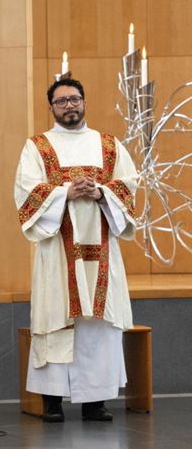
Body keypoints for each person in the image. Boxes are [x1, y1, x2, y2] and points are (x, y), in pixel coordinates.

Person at [14, 78, 139, 423]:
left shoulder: (109, 145)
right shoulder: (38, 146)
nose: (69, 105)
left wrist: (101, 192)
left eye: (75, 99)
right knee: (57, 317)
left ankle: (95, 401)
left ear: (84, 102)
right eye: (62, 101)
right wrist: (65, 193)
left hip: (102, 248)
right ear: (51, 107)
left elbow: (129, 185)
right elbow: (26, 191)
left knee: (98, 323)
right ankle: (52, 400)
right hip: (58, 251)